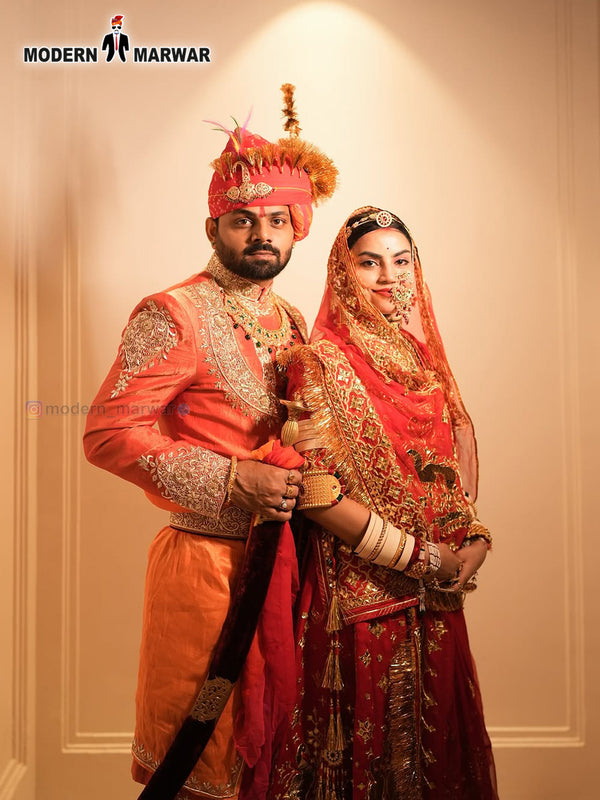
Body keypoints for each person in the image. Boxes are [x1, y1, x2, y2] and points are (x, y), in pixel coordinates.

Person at [82, 87, 337, 800]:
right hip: (204, 569)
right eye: (242, 219)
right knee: (203, 758)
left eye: (278, 219)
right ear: (212, 225)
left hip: (287, 571)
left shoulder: (291, 319)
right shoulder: (173, 313)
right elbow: (107, 432)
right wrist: (233, 480)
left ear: (299, 228)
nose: (261, 233)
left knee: (276, 759)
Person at [269, 207, 498, 799]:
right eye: (369, 262)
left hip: (437, 600)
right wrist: (421, 558)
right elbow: (317, 495)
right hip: (359, 599)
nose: (389, 276)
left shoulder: (424, 366)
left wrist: (473, 539)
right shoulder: (318, 364)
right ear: (342, 274)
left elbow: (442, 480)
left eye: (402, 262)